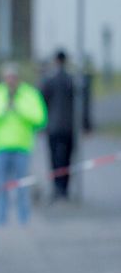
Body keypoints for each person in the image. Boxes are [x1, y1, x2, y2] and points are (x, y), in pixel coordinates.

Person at [0, 63, 47, 225]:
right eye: (8, 77)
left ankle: (24, 218)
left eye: (13, 77)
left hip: (22, 146)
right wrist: (3, 110)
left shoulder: (29, 95)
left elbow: (40, 119)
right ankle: (1, 219)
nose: (11, 80)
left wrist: (19, 109)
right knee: (1, 185)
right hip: (0, 147)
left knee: (22, 185)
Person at [40, 50, 90, 200]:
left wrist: (42, 124)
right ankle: (64, 189)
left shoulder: (49, 80)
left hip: (53, 126)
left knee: (55, 158)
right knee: (68, 158)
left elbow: (42, 102)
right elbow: (82, 104)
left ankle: (57, 187)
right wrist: (86, 125)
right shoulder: (72, 80)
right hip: (69, 127)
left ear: (56, 61)